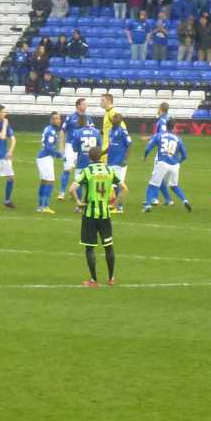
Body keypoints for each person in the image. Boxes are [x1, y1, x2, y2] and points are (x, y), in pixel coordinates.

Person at [71, 145, 124, 287]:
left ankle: (93, 280)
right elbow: (124, 189)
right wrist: (115, 204)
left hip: (90, 214)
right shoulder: (109, 170)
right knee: (108, 246)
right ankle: (111, 278)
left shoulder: (87, 171)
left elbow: (72, 189)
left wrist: (78, 202)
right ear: (101, 156)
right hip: (105, 214)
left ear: (89, 157)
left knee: (90, 247)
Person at [142, 123, 191, 212]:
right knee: (174, 186)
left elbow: (148, 148)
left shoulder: (159, 135)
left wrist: (145, 156)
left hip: (162, 163)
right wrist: (178, 162)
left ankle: (148, 206)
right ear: (174, 128)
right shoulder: (178, 139)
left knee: (152, 185)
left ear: (165, 126)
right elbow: (185, 156)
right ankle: (185, 200)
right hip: (174, 165)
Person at [58, 97, 89, 200]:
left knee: (81, 170)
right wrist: (61, 147)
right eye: (84, 104)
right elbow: (62, 131)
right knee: (67, 168)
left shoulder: (88, 117)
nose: (86, 106)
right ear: (78, 105)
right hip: (70, 146)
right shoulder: (70, 117)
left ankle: (75, 192)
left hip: (83, 147)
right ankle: (62, 192)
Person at [34, 111, 63, 213]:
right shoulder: (51, 131)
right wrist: (58, 154)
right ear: (52, 120)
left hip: (43, 157)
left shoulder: (49, 129)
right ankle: (45, 206)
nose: (59, 120)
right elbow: (48, 147)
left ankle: (40, 206)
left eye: (59, 118)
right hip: (45, 158)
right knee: (50, 181)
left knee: (44, 181)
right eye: (56, 118)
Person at [106, 116, 131, 212]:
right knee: (112, 184)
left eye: (116, 120)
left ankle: (119, 206)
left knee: (119, 184)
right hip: (110, 161)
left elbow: (129, 145)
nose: (114, 121)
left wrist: (126, 159)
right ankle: (113, 205)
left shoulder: (123, 131)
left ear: (119, 121)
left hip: (120, 162)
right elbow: (110, 146)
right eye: (113, 119)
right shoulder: (110, 131)